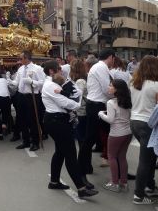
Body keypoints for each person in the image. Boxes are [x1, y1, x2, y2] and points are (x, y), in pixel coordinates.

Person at [42, 60, 98, 199]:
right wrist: (76, 103)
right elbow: (68, 103)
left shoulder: (56, 82)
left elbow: (76, 91)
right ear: (52, 71)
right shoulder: (50, 85)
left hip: (59, 120)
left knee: (60, 152)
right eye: (59, 68)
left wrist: (74, 99)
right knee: (70, 154)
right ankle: (81, 188)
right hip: (56, 121)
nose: (62, 70)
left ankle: (54, 181)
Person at [78, 49, 115, 187]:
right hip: (96, 106)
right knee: (90, 140)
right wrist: (119, 95)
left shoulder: (100, 67)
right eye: (113, 59)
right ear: (110, 57)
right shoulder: (101, 67)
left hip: (97, 105)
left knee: (110, 137)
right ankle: (81, 171)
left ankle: (118, 171)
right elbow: (107, 90)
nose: (113, 61)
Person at [130, 55, 158, 205]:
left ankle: (149, 186)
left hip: (135, 121)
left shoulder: (134, 83)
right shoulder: (155, 85)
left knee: (150, 157)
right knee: (145, 161)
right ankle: (139, 195)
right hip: (149, 125)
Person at [98, 79, 132, 192]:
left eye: (111, 86)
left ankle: (114, 183)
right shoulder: (127, 100)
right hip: (127, 132)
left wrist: (101, 114)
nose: (108, 87)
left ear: (116, 89)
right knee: (122, 157)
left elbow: (111, 120)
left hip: (116, 133)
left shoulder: (111, 102)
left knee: (112, 157)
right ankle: (124, 182)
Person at [8, 50, 45, 151]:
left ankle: (35, 142)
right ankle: (26, 141)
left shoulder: (37, 69)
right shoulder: (20, 69)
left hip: (32, 96)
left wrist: (32, 81)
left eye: (21, 58)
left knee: (33, 120)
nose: (20, 60)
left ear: (26, 58)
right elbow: (17, 82)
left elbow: (43, 82)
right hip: (21, 95)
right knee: (21, 119)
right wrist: (10, 81)